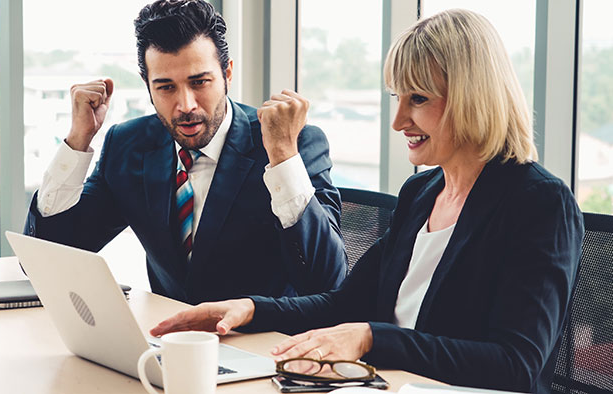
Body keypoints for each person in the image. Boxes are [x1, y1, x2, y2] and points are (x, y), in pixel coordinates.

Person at [149, 9, 585, 394]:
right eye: (397, 98)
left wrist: (372, 339)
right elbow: (346, 304)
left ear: (473, 97)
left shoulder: (540, 204)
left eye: (418, 99)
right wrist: (250, 308)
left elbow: (517, 366)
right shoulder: (422, 193)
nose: (398, 121)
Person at [23, 0, 346, 304]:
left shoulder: (294, 144)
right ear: (147, 84)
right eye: (166, 87)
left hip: (268, 343)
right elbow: (48, 259)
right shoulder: (129, 144)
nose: (186, 105)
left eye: (200, 82)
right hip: (172, 343)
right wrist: (78, 140)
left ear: (227, 74)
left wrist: (282, 157)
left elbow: (327, 282)